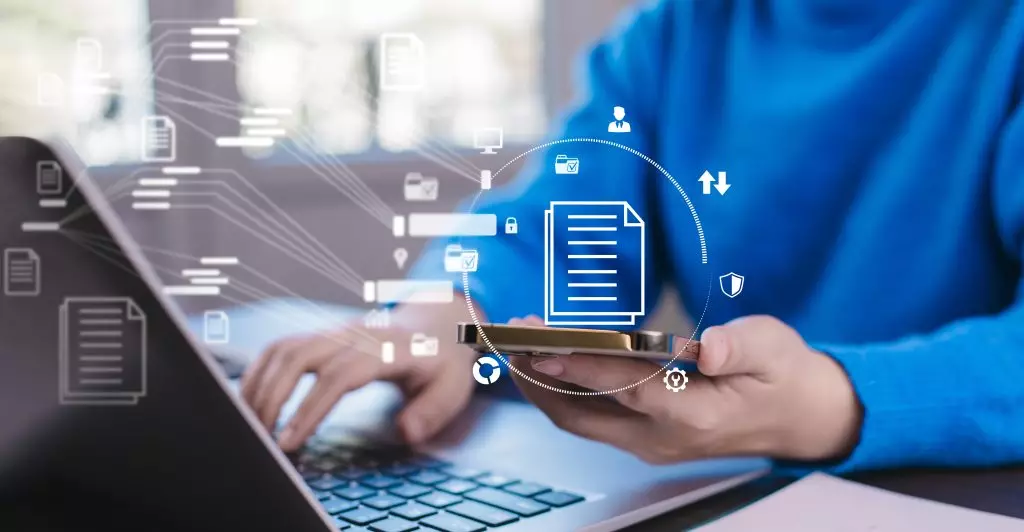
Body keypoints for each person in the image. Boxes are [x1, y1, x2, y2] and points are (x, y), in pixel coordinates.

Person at [242, 0, 1024, 471]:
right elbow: (560, 231)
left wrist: (840, 404)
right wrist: (448, 314)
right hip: (752, 485)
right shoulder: (678, 31)